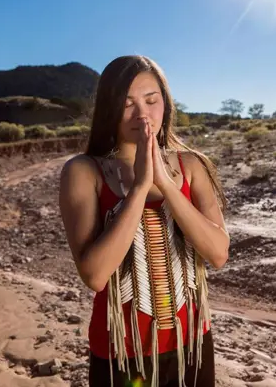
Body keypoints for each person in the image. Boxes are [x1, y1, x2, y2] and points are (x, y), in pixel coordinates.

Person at [58, 55, 229, 387]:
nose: (142, 114)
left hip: (192, 343)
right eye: (127, 104)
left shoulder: (192, 165)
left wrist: (165, 184)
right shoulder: (84, 171)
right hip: (121, 353)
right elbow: (94, 275)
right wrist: (138, 188)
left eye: (151, 100)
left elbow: (219, 253)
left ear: (165, 102)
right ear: (109, 109)